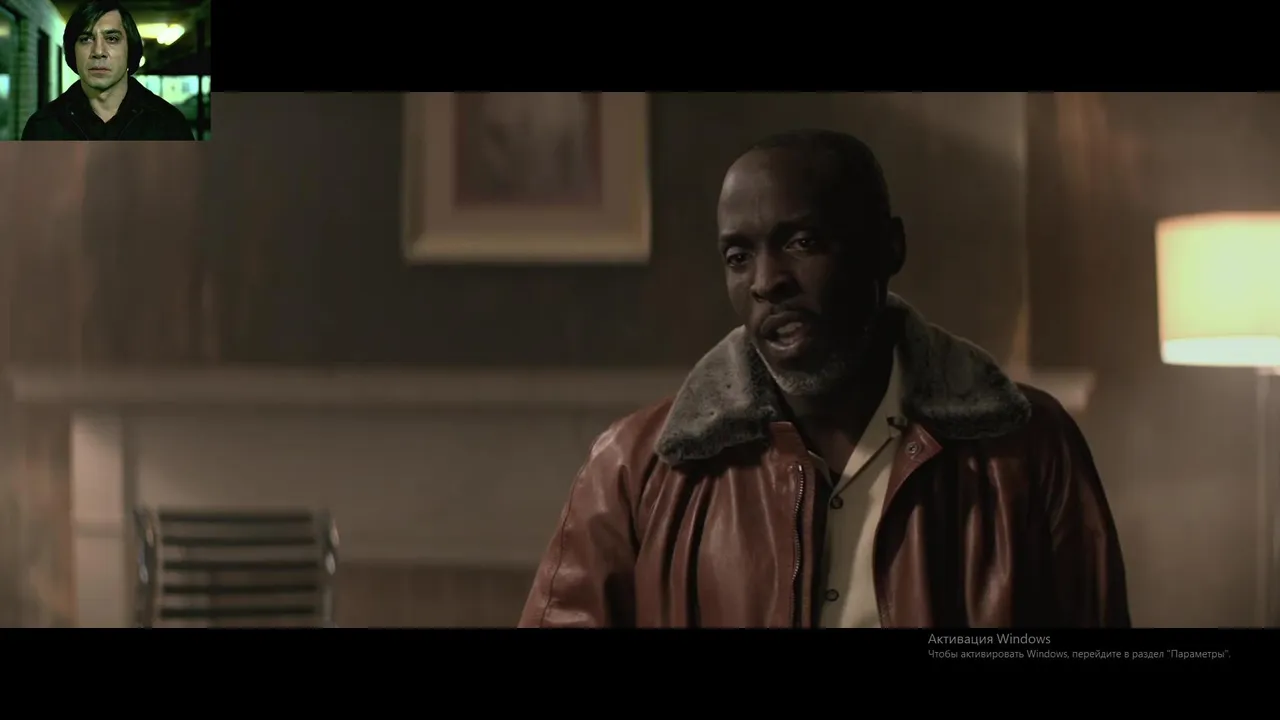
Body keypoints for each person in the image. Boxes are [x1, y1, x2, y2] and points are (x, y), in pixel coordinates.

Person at [518, 129, 1131, 628]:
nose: (767, 282)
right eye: (738, 257)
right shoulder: (635, 467)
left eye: (802, 242)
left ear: (888, 248)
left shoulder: (1028, 449)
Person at [21, 0, 192, 141]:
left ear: (130, 49)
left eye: (112, 39)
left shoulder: (169, 125)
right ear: (73, 52)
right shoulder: (43, 127)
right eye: (86, 39)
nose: (98, 51)